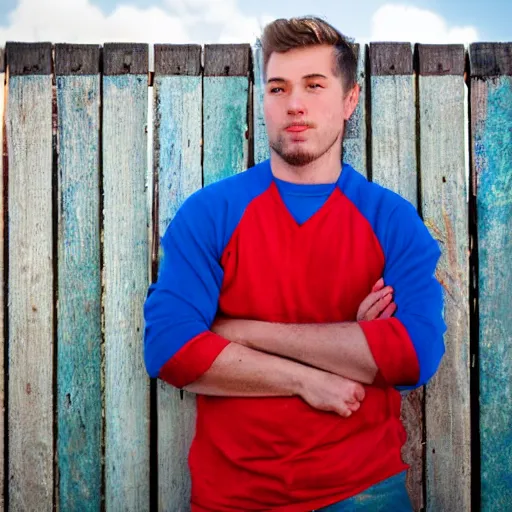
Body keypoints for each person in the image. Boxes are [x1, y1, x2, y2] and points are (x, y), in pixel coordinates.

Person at [143, 16, 446, 512]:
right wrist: (315, 375)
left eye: (314, 85)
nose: (295, 104)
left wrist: (239, 331)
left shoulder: (391, 220)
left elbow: (413, 355)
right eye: (278, 88)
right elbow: (170, 350)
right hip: (235, 497)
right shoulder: (211, 214)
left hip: (363, 490)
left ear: (350, 100)